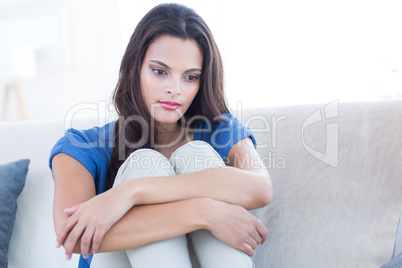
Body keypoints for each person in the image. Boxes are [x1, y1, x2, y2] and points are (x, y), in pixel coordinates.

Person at [50, 3, 273, 268]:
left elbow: (260, 187)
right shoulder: (81, 146)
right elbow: (71, 235)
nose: (174, 90)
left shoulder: (219, 128)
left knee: (197, 154)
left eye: (190, 77)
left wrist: (130, 193)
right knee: (144, 163)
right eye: (160, 72)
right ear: (133, 68)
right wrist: (204, 210)